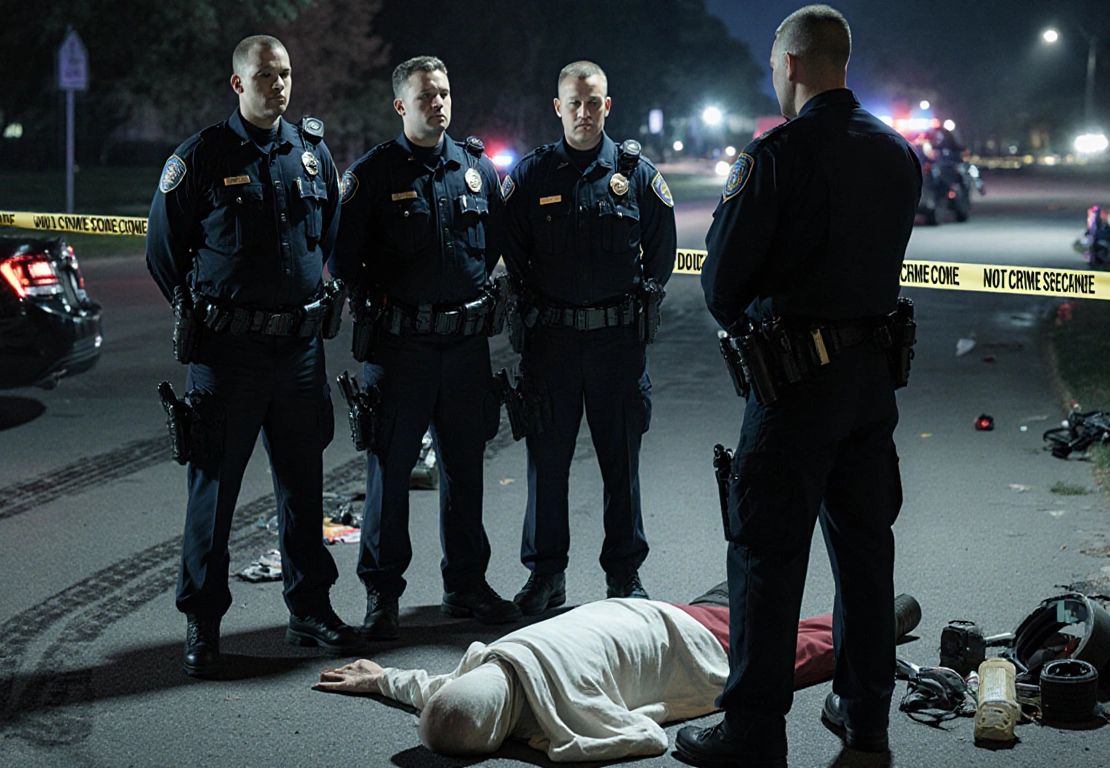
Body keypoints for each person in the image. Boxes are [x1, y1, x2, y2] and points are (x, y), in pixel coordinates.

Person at [676, 6, 922, 764]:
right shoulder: (897, 154)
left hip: (792, 389)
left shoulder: (777, 155)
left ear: (790, 64)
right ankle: (864, 713)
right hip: (870, 383)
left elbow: (721, 283)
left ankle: (752, 731)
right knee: (864, 552)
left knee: (764, 556)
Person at [146, 35, 362, 678]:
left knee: (304, 488)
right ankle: (203, 625)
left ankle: (310, 610)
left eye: (286, 74)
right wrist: (203, 314)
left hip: (297, 353)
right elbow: (163, 253)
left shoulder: (314, 153)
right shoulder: (202, 157)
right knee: (214, 492)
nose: (279, 85)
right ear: (238, 85)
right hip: (228, 354)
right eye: (265, 75)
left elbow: (329, 240)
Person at [329, 56, 518, 640]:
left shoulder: (475, 170)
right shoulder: (374, 174)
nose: (438, 102)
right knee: (390, 473)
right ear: (400, 106)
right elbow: (342, 258)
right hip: (400, 349)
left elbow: (493, 247)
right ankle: (382, 595)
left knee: (465, 471)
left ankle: (465, 585)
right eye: (426, 95)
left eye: (444, 91)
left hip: (464, 350)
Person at [313, 586, 920, 762]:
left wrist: (558, 748)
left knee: (810, 646)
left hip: (687, 646)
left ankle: (892, 614)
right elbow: (442, 692)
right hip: (643, 616)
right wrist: (382, 679)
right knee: (740, 599)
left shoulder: (569, 710)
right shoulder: (494, 661)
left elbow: (651, 738)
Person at [501, 60, 677, 614]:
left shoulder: (638, 175)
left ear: (608, 105)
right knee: (546, 465)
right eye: (573, 103)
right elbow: (513, 250)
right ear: (558, 108)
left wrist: (634, 301)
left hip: (616, 346)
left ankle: (624, 576)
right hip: (550, 346)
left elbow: (663, 250)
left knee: (620, 464)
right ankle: (546, 576)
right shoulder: (532, 175)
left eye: (593, 101)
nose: (583, 112)